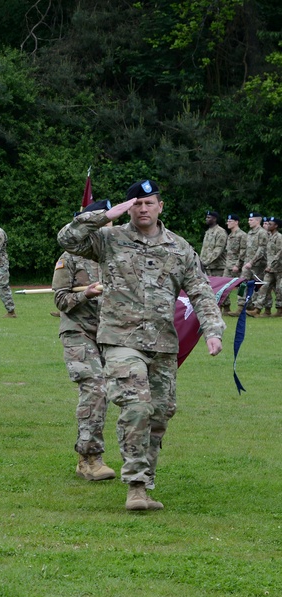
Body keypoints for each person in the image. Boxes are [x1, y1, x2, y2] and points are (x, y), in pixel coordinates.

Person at [58, 179, 224, 511]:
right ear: (128, 208)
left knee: (160, 414)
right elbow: (67, 238)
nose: (143, 209)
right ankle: (134, 486)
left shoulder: (179, 248)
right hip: (121, 341)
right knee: (137, 406)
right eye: (137, 203)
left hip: (162, 345)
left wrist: (213, 330)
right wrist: (103, 217)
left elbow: (201, 292)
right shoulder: (109, 239)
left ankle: (146, 484)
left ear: (160, 206)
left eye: (149, 203)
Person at [52, 200, 116, 480]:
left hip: (112, 333)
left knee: (116, 394)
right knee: (96, 388)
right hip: (78, 332)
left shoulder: (118, 253)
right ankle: (90, 458)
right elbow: (60, 300)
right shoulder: (71, 256)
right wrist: (86, 294)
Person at [253, 216, 281, 317]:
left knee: (279, 289)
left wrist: (271, 265)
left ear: (276, 226)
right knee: (264, 287)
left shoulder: (279, 237)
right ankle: (259, 309)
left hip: (278, 269)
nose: (268, 225)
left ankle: (279, 310)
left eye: (270, 224)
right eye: (268, 224)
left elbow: (279, 253)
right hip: (269, 268)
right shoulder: (268, 236)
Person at [241, 212, 269, 316]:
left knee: (257, 286)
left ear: (258, 221)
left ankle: (256, 308)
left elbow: (261, 250)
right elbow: (247, 249)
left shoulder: (262, 233)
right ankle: (243, 305)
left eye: (251, 220)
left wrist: (252, 262)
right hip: (248, 264)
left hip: (258, 265)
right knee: (243, 283)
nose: (249, 221)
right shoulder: (250, 232)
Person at [222, 214, 247, 316]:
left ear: (236, 222)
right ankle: (226, 307)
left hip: (237, 266)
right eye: (227, 221)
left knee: (241, 286)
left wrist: (238, 264)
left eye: (230, 221)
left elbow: (243, 251)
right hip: (228, 265)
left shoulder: (242, 235)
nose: (228, 223)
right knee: (224, 285)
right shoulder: (230, 235)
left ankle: (241, 307)